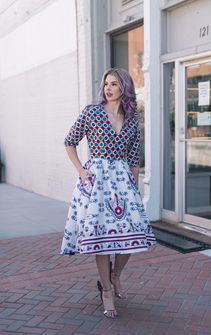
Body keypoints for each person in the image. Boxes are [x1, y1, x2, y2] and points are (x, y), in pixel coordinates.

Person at [60, 68, 157, 318]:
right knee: (102, 240)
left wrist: (135, 189)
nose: (108, 88)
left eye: (114, 84)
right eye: (106, 84)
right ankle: (106, 290)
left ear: (124, 87)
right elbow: (69, 141)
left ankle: (116, 275)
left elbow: (134, 159)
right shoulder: (92, 112)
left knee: (131, 234)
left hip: (123, 182)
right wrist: (82, 171)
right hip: (97, 184)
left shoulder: (133, 120)